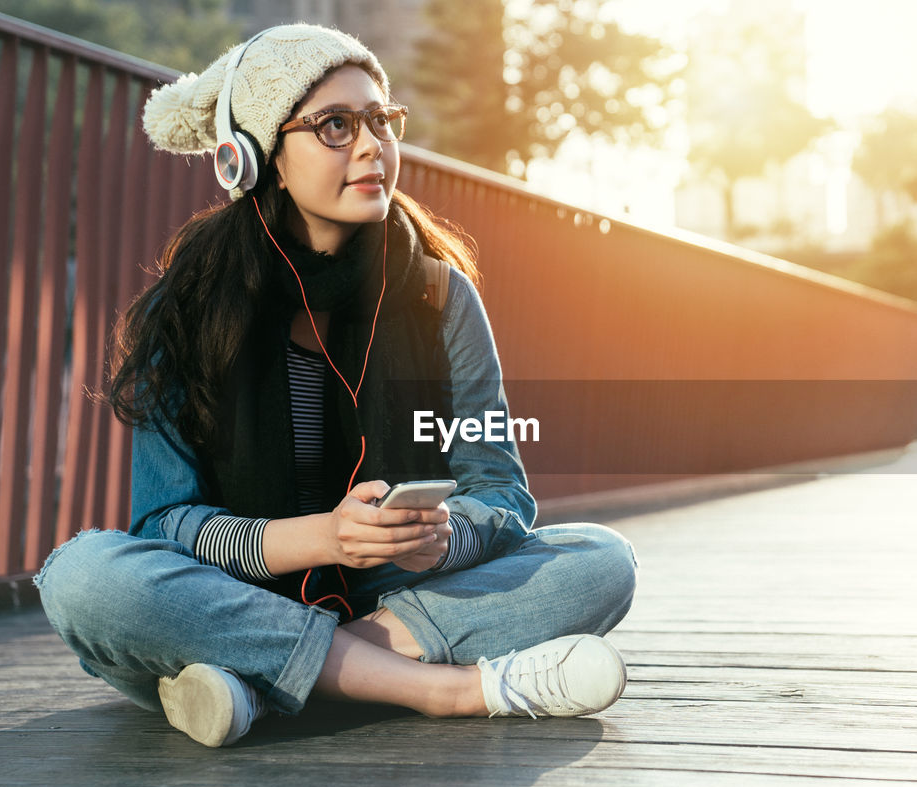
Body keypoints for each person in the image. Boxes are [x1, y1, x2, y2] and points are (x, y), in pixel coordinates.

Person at [33, 23, 637, 748]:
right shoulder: (187, 311)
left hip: (388, 597)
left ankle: (255, 685)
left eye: (381, 120)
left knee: (600, 562)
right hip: (231, 598)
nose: (371, 145)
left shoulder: (440, 300)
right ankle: (449, 689)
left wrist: (439, 544)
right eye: (335, 125)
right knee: (83, 576)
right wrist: (325, 536)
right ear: (257, 159)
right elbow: (167, 527)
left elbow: (500, 491)